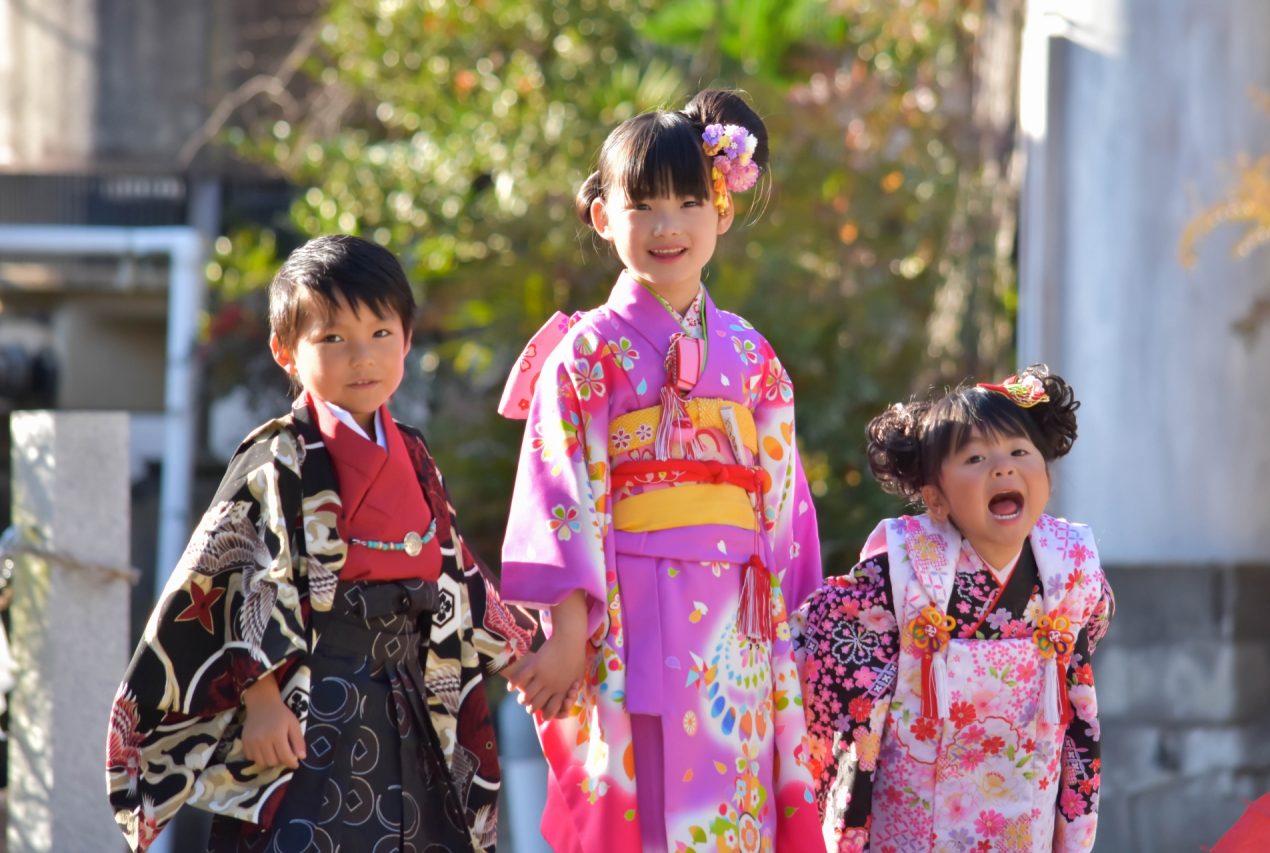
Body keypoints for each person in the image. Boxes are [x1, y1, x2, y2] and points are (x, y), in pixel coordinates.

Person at [105, 235, 537, 852]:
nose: (361, 356)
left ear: (408, 340)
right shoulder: (277, 454)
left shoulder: (412, 452)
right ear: (286, 351)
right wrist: (259, 699)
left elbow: (453, 569)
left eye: (381, 334)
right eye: (333, 338)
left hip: (408, 691)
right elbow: (233, 577)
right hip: (306, 700)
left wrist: (528, 654)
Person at [497, 89, 825, 852]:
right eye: (643, 205)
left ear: (723, 210)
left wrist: (798, 637)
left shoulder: (753, 357)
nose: (668, 225)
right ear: (603, 216)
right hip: (626, 613)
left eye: (687, 201)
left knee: (734, 809)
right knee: (635, 810)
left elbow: (784, 508)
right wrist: (568, 633)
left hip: (735, 636)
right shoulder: (585, 354)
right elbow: (560, 492)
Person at [793, 364, 1115, 851]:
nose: (1003, 468)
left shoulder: (1071, 567)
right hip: (915, 815)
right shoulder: (901, 571)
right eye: (976, 457)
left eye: (1019, 452)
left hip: (1025, 813)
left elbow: (1092, 622)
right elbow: (823, 633)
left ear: (1045, 478)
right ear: (935, 499)